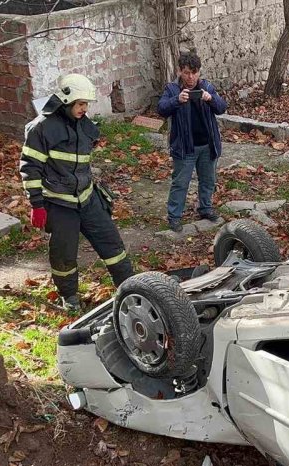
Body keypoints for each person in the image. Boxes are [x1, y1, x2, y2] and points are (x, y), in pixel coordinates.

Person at [20, 73, 134, 312]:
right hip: (60, 204)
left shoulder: (85, 126)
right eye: (81, 104)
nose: (85, 109)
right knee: (63, 255)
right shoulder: (41, 129)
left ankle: (131, 288)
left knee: (112, 245)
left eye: (86, 104)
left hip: (88, 198)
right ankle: (69, 297)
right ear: (66, 101)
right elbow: (30, 169)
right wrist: (37, 205)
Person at [157, 52, 229, 233]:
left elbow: (222, 107)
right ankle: (174, 217)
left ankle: (205, 208)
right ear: (180, 71)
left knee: (208, 180)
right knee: (180, 182)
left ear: (199, 72)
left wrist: (210, 98)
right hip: (184, 147)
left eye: (194, 73)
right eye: (187, 73)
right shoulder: (172, 89)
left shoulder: (206, 87)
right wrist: (176, 100)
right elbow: (161, 109)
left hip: (208, 144)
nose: (191, 77)